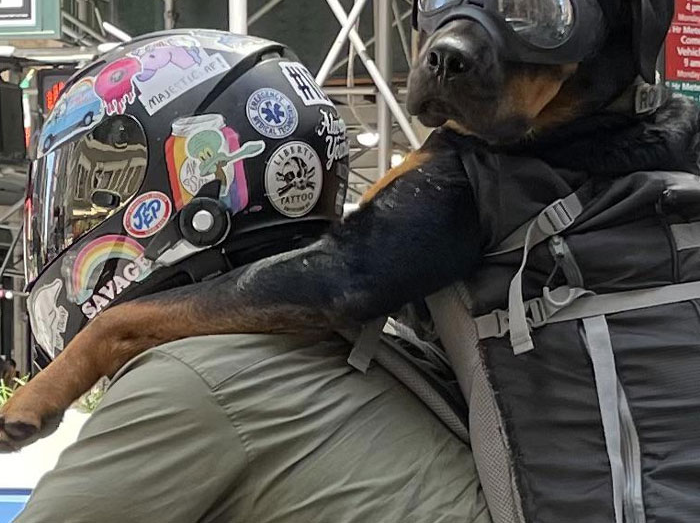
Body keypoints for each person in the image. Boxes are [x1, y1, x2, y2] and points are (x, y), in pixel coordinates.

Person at [12, 30, 489, 523]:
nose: (84, 220)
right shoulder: (379, 336)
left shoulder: (195, 379)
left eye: (102, 197)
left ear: (199, 194)